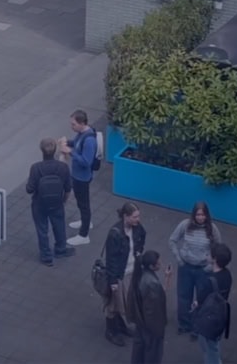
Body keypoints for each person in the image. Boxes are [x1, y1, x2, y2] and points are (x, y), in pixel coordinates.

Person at [169, 201, 224, 337]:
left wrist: (210, 266)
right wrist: (179, 258)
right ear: (194, 214)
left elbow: (219, 249)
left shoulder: (212, 229)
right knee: (183, 297)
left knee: (201, 299)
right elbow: (172, 240)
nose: (200, 217)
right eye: (198, 214)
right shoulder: (185, 225)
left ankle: (196, 327)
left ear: (207, 215)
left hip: (202, 270)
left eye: (203, 215)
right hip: (185, 267)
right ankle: (184, 324)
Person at [25, 138, 75, 266]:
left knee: (42, 229)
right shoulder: (62, 167)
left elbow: (29, 189)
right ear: (55, 151)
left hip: (39, 204)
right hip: (57, 202)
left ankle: (46, 256)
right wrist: (63, 201)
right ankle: (60, 249)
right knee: (59, 225)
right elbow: (68, 188)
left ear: (41, 151)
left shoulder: (36, 168)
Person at [103, 202, 146, 346]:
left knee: (124, 302)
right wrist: (113, 281)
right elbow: (111, 259)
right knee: (113, 304)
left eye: (138, 216)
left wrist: (139, 251)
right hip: (119, 274)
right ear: (125, 216)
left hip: (132, 272)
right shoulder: (115, 233)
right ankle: (111, 331)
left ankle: (120, 326)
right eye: (134, 217)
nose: (138, 219)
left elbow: (141, 238)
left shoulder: (137, 228)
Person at [128, 250, 170, 364]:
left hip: (140, 321)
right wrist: (159, 330)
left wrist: (166, 279)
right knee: (152, 353)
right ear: (151, 266)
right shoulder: (152, 284)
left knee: (138, 350)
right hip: (150, 327)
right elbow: (154, 310)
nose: (160, 263)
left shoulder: (139, 275)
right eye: (158, 263)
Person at [64, 109, 99, 247]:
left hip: (82, 178)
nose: (71, 127)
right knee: (81, 201)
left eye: (73, 124)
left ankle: (83, 235)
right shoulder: (81, 134)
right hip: (78, 175)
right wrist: (68, 142)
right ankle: (85, 221)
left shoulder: (89, 140)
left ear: (82, 123)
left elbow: (86, 162)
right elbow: (77, 144)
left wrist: (70, 152)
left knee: (84, 204)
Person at [194, 242, 233, 364]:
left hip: (208, 318)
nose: (207, 255)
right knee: (214, 344)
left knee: (209, 347)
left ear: (215, 259)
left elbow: (200, 300)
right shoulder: (227, 275)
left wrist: (195, 304)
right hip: (220, 315)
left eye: (209, 254)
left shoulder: (208, 280)